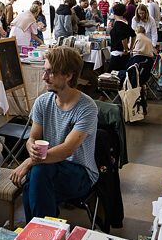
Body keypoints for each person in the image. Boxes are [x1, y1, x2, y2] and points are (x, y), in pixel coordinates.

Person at [10, 47, 97, 220]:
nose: (44, 77)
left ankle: (37, 233)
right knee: (35, 181)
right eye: (45, 71)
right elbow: (33, 136)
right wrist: (31, 146)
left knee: (37, 175)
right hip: (48, 167)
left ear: (68, 75)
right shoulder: (43, 102)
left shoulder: (87, 108)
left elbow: (67, 150)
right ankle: (44, 231)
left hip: (80, 173)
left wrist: (29, 161)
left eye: (50, 72)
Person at [108, 3, 132, 71]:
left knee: (111, 74)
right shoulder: (124, 22)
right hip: (121, 53)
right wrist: (130, 48)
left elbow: (123, 37)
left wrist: (126, 49)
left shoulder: (119, 24)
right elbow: (133, 35)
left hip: (118, 54)